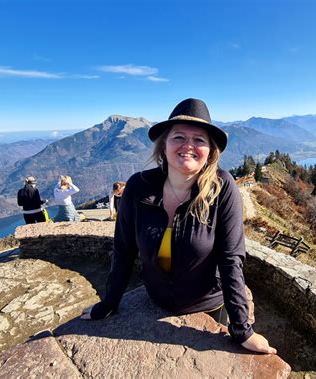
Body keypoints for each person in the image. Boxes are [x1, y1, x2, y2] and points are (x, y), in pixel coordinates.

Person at [82, 98, 276, 354]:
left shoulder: (222, 188)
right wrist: (109, 303)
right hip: (156, 299)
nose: (188, 146)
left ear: (210, 151)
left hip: (208, 306)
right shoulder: (138, 187)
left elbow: (231, 258)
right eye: (179, 137)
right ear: (163, 146)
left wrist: (241, 330)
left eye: (199, 140)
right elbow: (123, 250)